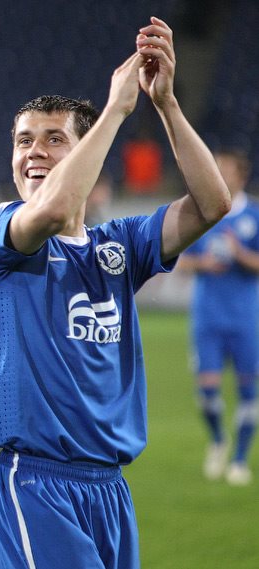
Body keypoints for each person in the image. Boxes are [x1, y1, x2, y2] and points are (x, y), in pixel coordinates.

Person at [0, 17, 231, 569]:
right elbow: (54, 210)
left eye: (54, 139)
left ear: (88, 152)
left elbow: (213, 204)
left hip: (110, 488)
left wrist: (166, 105)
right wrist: (114, 110)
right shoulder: (0, 230)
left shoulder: (119, 246)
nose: (34, 151)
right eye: (23, 141)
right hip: (35, 482)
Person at [177, 148, 258, 486]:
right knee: (207, 390)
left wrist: (240, 254)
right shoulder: (202, 213)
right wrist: (203, 264)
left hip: (246, 318)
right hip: (207, 317)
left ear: (241, 176)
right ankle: (219, 439)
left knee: (249, 390)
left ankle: (239, 460)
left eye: (225, 170)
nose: (219, 176)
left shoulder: (254, 215)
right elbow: (179, 261)